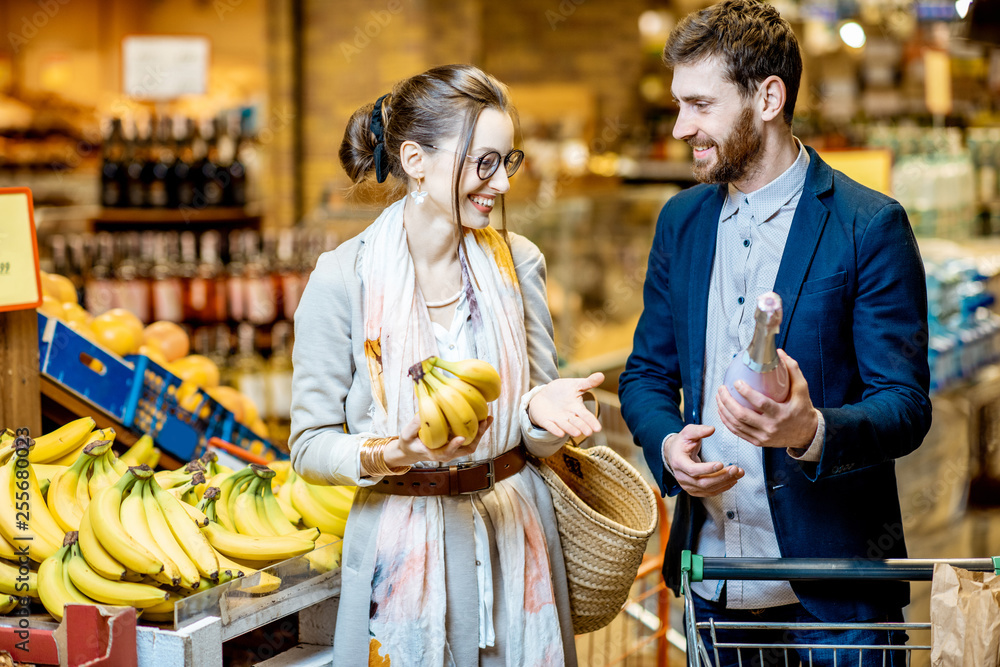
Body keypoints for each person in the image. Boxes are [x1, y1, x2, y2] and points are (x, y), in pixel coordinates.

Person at [618, 2, 932, 665]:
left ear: (768, 96)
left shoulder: (868, 224)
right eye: (679, 105)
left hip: (839, 598)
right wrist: (670, 446)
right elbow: (646, 372)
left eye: (700, 105)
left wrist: (810, 430)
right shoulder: (680, 222)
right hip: (717, 595)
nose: (681, 128)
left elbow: (905, 406)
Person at [289, 64, 603, 666]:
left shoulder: (519, 264)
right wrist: (390, 453)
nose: (501, 184)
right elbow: (308, 446)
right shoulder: (342, 278)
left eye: (506, 161)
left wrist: (541, 412)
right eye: (482, 162)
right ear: (415, 159)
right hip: (397, 548)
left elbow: (534, 433)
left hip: (517, 537)